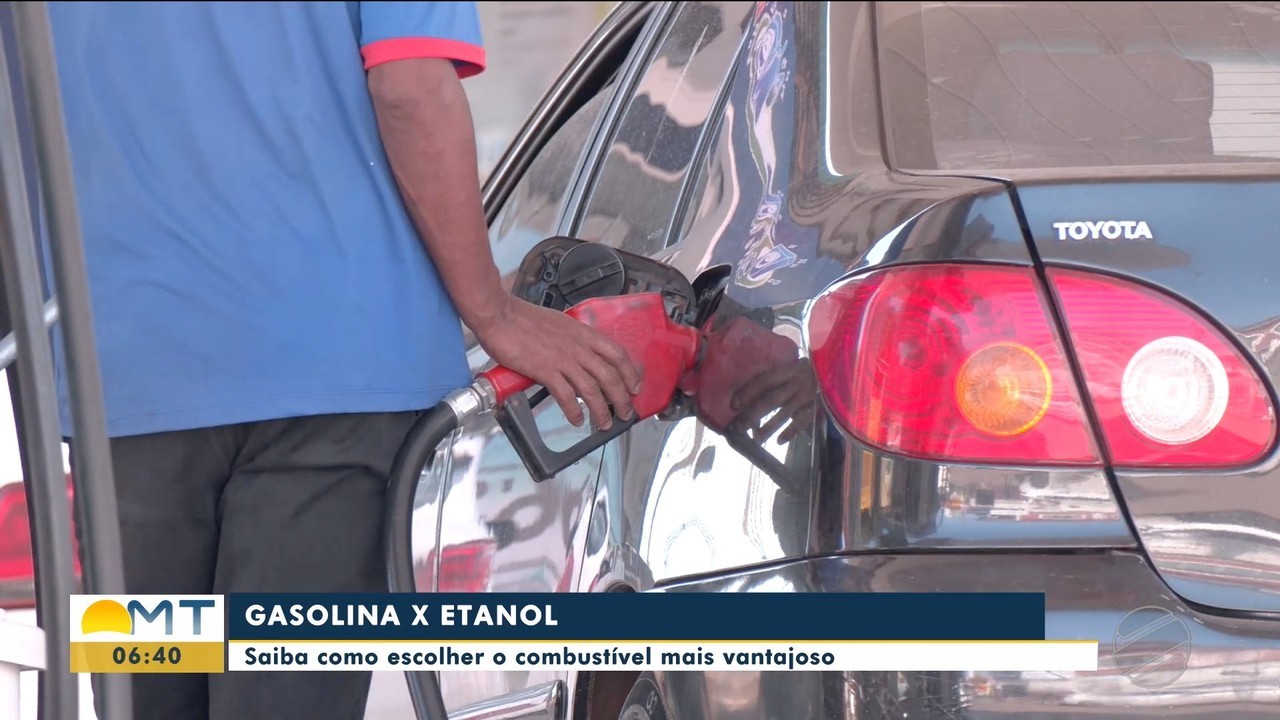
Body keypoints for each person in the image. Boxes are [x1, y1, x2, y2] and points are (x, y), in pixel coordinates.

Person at [45, 3, 642, 719]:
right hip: (336, 377)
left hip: (124, 379)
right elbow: (409, 87)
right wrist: (495, 313)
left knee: (147, 691)